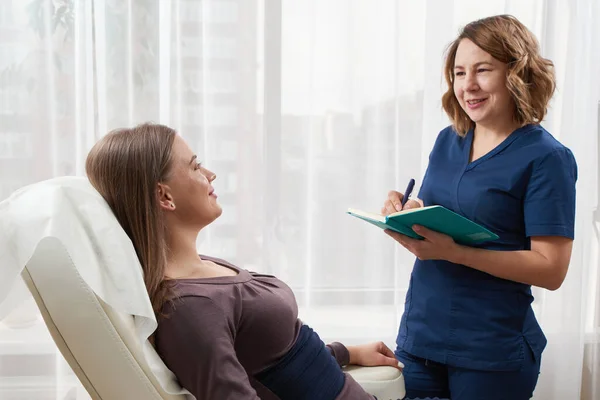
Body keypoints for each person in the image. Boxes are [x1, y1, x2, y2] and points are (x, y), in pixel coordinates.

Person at [85, 123, 402, 400]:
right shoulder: (191, 309)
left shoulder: (204, 272)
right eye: (196, 167)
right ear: (164, 196)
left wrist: (347, 353)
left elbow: (270, 358)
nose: (210, 174)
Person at [381, 14, 577, 400]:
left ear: (516, 73)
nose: (467, 85)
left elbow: (551, 269)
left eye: (482, 70)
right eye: (458, 73)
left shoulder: (546, 157)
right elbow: (448, 207)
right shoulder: (448, 140)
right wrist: (410, 210)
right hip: (421, 338)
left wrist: (456, 253)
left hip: (491, 353)